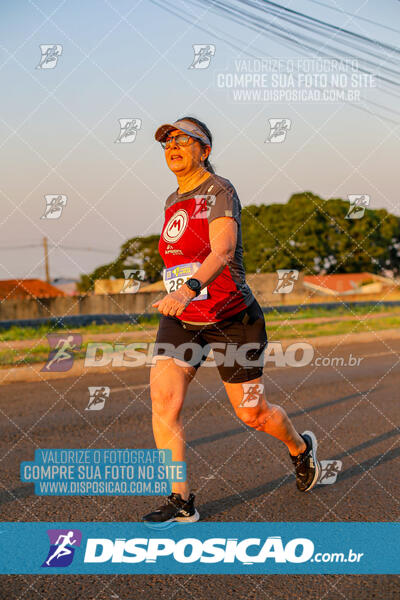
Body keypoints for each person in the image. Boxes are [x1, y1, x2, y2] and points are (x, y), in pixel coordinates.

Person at [142, 116, 321, 524]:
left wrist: (187, 289)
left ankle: (300, 448)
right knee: (163, 401)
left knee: (252, 414)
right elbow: (182, 256)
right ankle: (181, 499)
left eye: (183, 141)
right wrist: (176, 291)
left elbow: (221, 251)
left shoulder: (220, 190)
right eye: (167, 142)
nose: (173, 147)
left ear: (204, 150)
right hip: (185, 318)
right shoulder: (172, 201)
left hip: (230, 317)